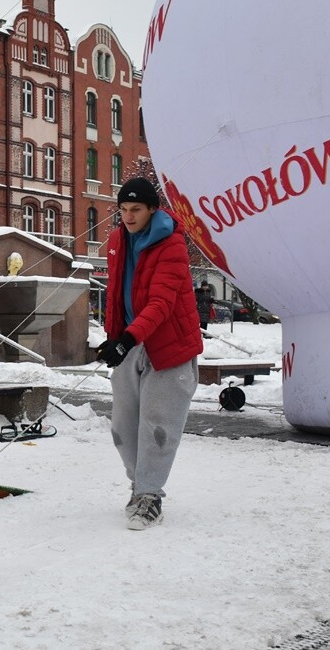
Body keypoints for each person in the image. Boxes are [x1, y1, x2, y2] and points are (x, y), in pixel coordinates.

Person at [97, 177, 203, 531]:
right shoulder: (116, 241)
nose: (127, 217)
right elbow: (116, 295)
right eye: (123, 210)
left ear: (152, 209)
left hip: (168, 346)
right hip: (130, 340)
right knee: (123, 426)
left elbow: (161, 303)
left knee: (158, 425)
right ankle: (138, 484)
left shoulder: (171, 244)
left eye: (135, 210)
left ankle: (150, 495)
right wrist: (112, 337)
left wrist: (127, 337)